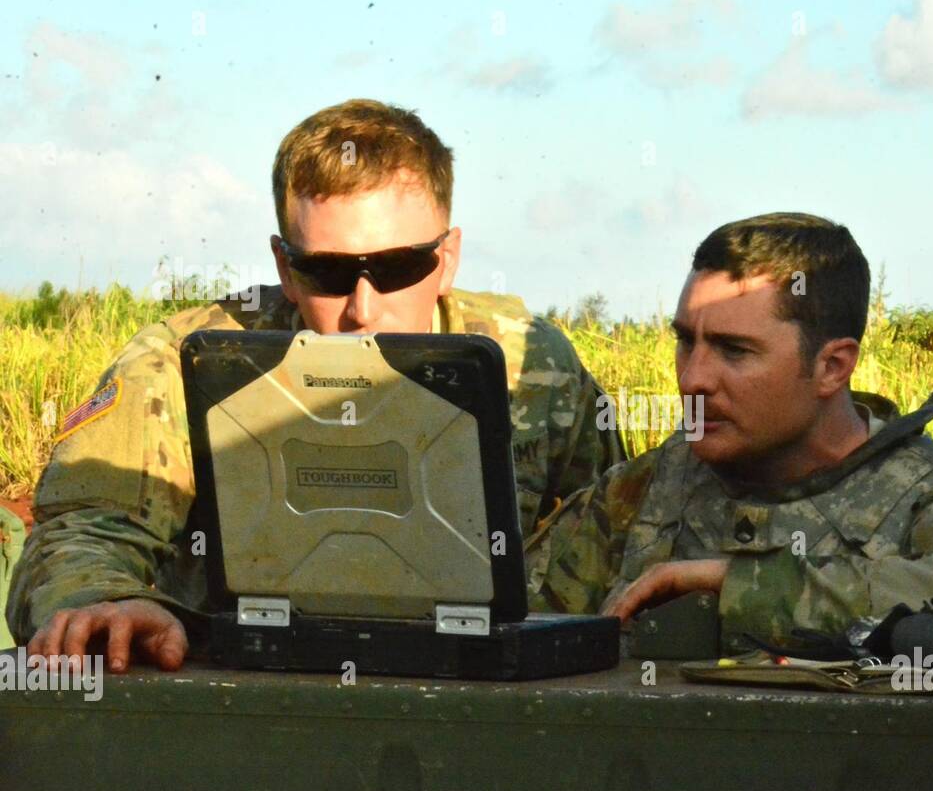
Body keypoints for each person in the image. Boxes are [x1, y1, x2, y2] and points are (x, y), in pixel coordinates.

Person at [10, 98, 623, 672]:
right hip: (250, 682)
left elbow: (615, 527)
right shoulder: (184, 361)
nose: (363, 307)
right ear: (284, 267)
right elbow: (85, 525)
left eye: (398, 267)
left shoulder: (535, 365)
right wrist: (102, 600)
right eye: (327, 272)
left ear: (448, 259)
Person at [525, 212, 933, 649]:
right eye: (687, 342)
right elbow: (514, 620)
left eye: (735, 351)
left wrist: (743, 587)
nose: (693, 379)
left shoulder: (932, 498)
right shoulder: (644, 491)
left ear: (832, 367)